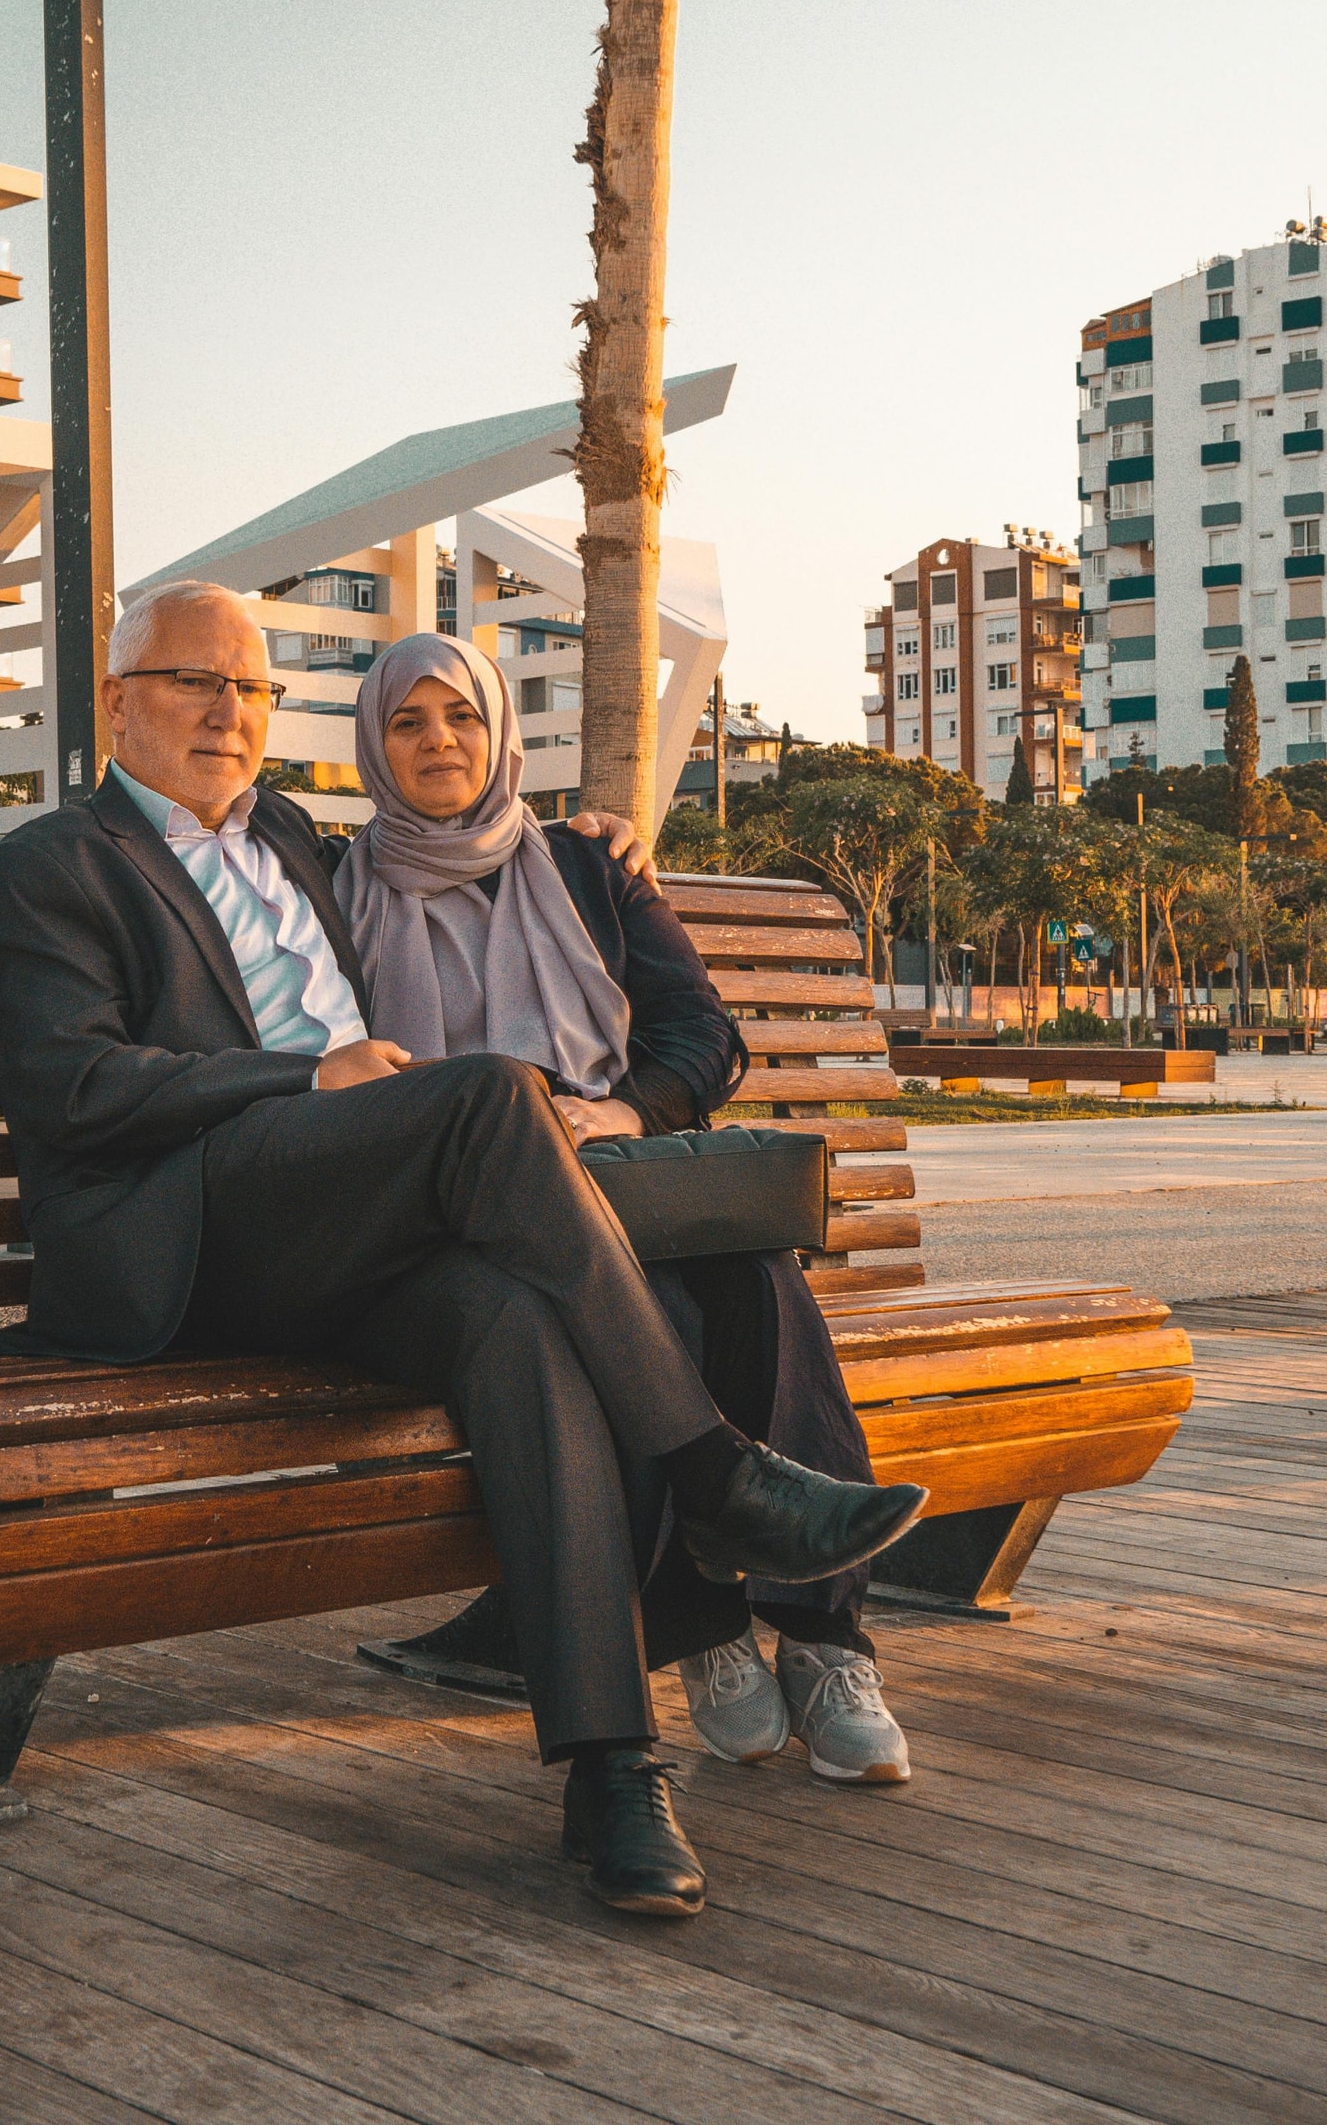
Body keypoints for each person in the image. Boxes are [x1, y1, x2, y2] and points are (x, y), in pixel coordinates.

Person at [0, 582, 927, 1917]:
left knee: (516, 1323)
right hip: (189, 1237)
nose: (229, 714)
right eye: (195, 683)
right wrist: (302, 1087)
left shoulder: (303, 843)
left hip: (345, 1238)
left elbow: (454, 835)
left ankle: (609, 1767)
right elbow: (70, 1092)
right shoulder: (54, 866)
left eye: (250, 689)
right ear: (117, 699)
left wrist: (596, 837)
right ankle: (710, 1470)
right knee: (485, 1089)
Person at [335, 630, 914, 1787]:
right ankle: (706, 1632)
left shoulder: (588, 866)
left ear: (500, 731)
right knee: (644, 1310)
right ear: (373, 745)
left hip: (624, 1174)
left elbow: (704, 1035)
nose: (439, 741)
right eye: (408, 722)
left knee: (755, 1278)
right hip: (468, 1219)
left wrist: (631, 1112)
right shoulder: (332, 884)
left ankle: (823, 1638)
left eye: (461, 716)